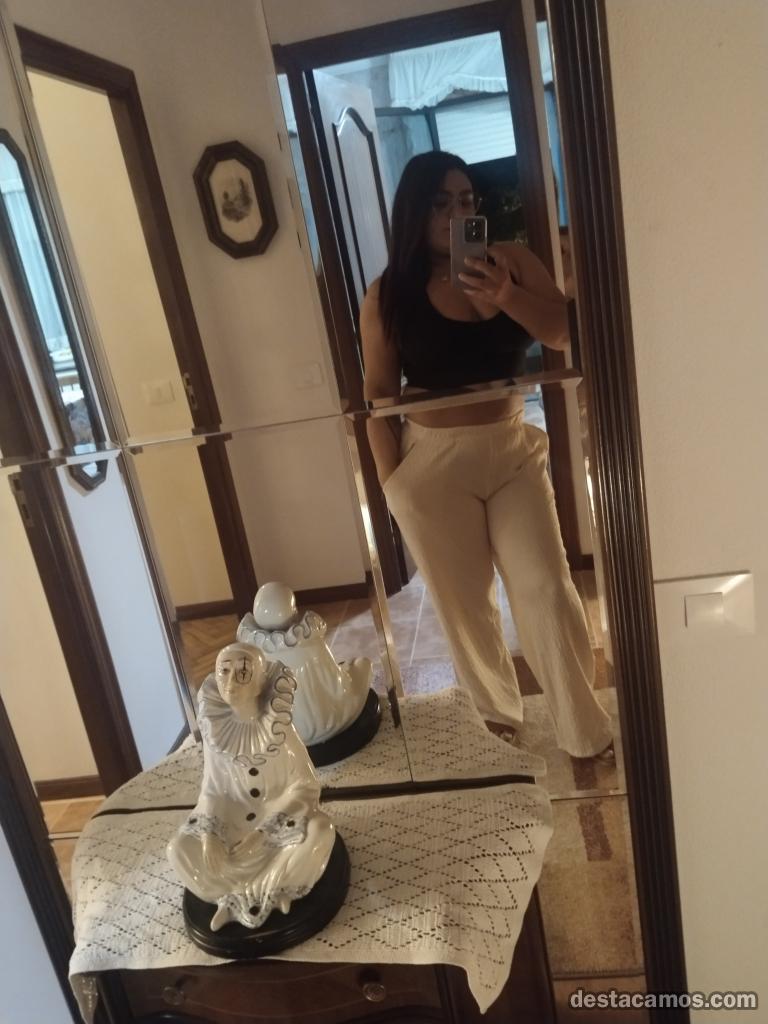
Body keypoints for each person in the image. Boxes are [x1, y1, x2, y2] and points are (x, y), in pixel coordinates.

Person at [360, 151, 612, 759]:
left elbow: (564, 333)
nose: (457, 213)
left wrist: (508, 295)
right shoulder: (389, 294)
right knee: (464, 603)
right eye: (441, 203)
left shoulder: (513, 263)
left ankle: (582, 725)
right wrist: (394, 485)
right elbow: (377, 396)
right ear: (415, 212)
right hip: (432, 463)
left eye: (467, 200)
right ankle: (497, 717)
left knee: (545, 585)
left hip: (511, 447)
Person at [167, 642, 336, 930]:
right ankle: (233, 895)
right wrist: (209, 835)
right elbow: (213, 790)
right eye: (224, 672)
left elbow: (305, 786)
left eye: (243, 673)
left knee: (321, 831)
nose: (230, 682)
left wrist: (264, 832)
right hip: (232, 825)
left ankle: (276, 888)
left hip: (278, 826)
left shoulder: (278, 729)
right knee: (178, 850)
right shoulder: (215, 731)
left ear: (260, 683)